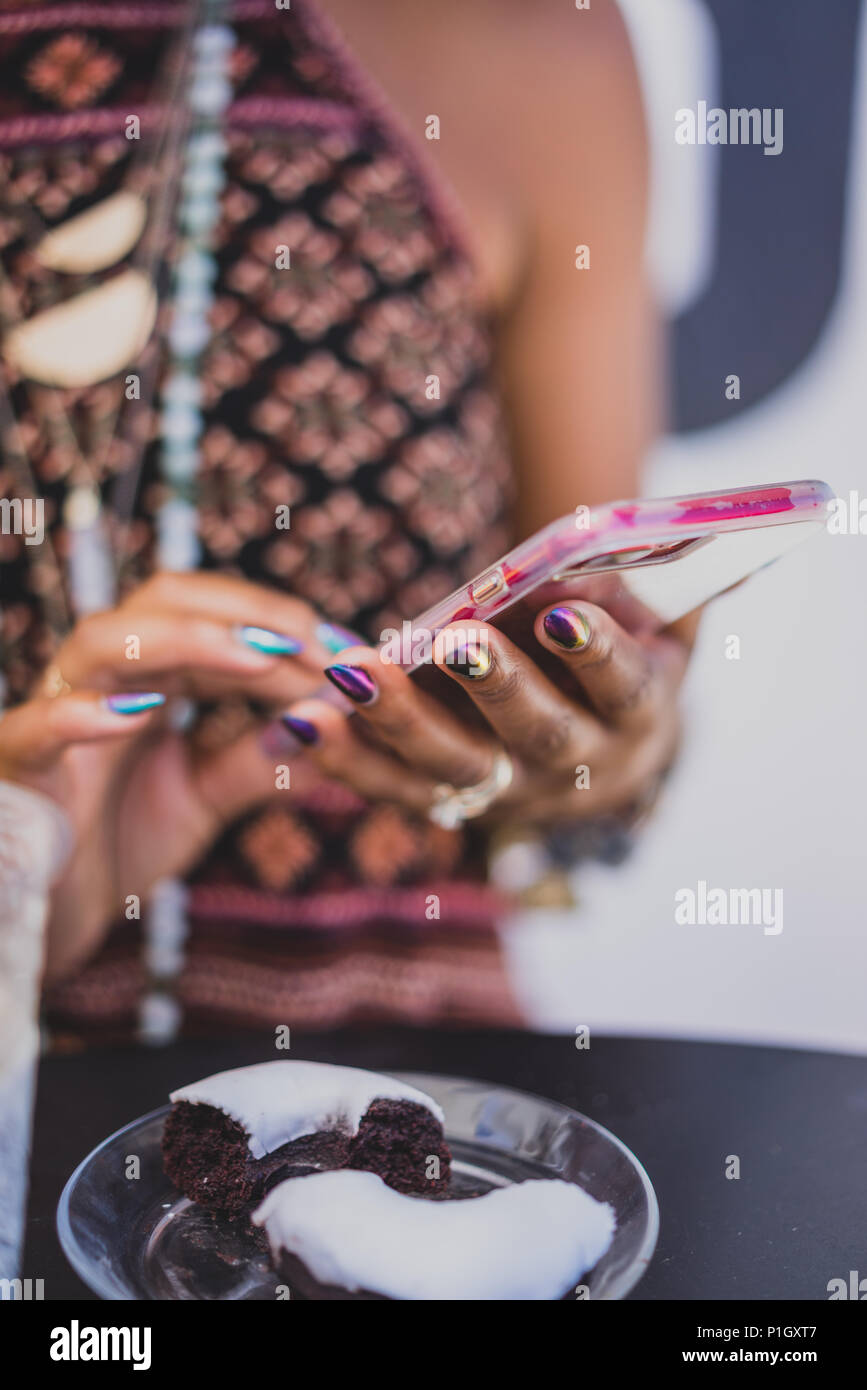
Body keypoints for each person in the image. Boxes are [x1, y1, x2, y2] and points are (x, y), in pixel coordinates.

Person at [0, 0, 691, 1041]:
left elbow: (588, 661)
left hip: (405, 1135)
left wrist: (603, 764)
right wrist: (19, 894)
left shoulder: (537, 43)